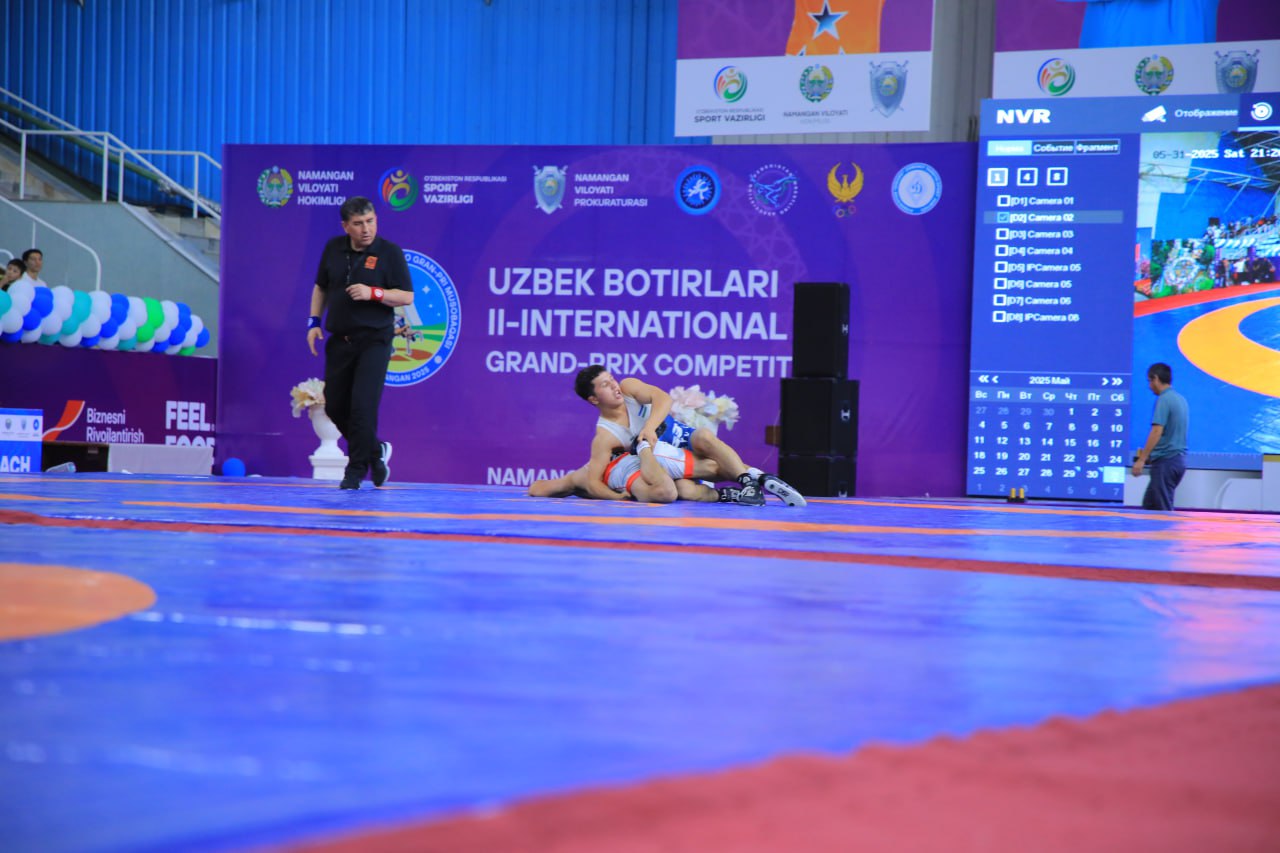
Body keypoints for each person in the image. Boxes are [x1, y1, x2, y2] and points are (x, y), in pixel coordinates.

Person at [573, 365, 806, 507]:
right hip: (661, 457)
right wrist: (617, 498)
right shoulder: (605, 434)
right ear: (593, 399)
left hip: (674, 434)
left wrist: (650, 427)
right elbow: (593, 482)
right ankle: (751, 483)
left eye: (612, 379)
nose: (614, 385)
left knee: (704, 437)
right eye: (605, 385)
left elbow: (663, 398)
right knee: (685, 490)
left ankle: (749, 482)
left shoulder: (628, 387)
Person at [306, 196, 413, 490]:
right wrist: (313, 322)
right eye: (358, 223)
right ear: (345, 226)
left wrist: (374, 293)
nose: (366, 229)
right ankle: (376, 452)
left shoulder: (389, 252)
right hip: (340, 340)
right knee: (335, 406)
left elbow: (406, 296)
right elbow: (320, 287)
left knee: (362, 408)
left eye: (370, 221)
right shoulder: (333, 248)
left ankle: (354, 473)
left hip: (374, 340)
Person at [530, 440, 736, 503]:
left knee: (710, 467)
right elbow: (536, 488)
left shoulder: (621, 425)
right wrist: (617, 497)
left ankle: (750, 477)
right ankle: (730, 495)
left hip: (648, 452)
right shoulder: (582, 476)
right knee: (681, 491)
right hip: (635, 462)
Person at [1131, 362, 1189, 511]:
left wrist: (1142, 459)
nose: (1149, 386)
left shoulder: (1164, 399)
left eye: (1149, 381)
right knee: (1150, 506)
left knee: (1163, 511)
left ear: (1156, 379)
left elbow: (1157, 431)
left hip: (1166, 463)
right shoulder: (1180, 399)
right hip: (1177, 462)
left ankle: (1169, 527)